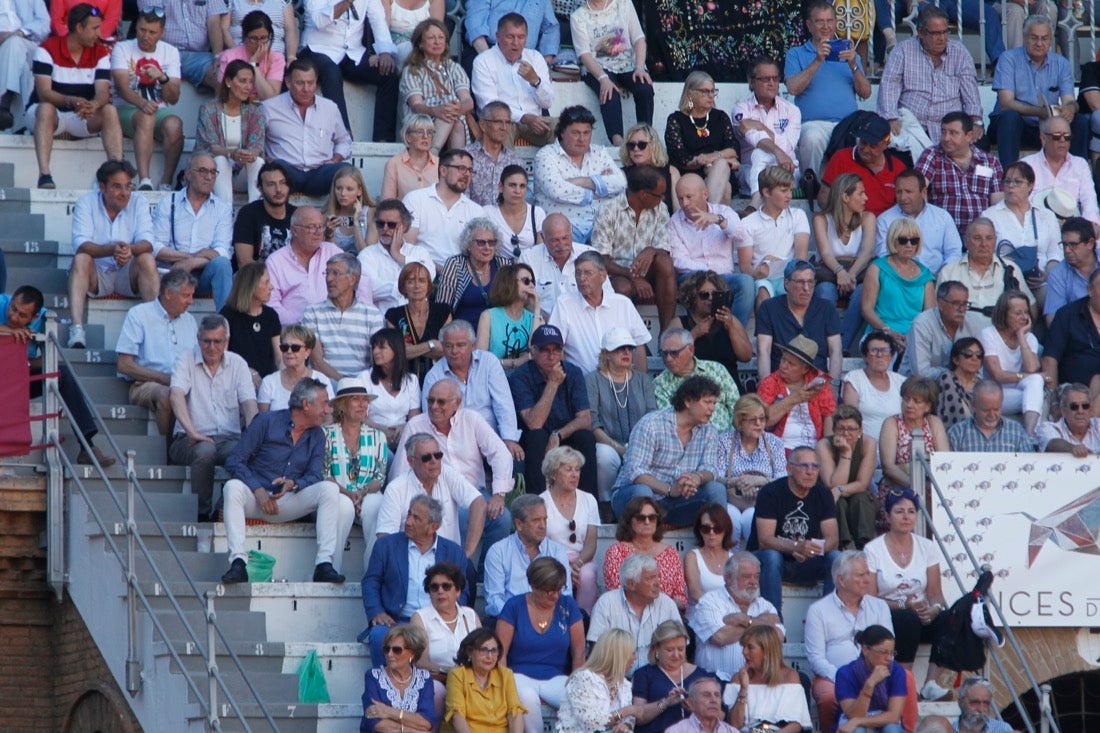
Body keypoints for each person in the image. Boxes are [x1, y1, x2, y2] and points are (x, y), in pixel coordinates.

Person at [220, 377, 355, 584]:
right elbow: (234, 460)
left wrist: (293, 483)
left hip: (289, 500)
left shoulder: (317, 435)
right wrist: (257, 490)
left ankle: (323, 564)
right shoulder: (266, 421)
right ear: (306, 405)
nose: (328, 410)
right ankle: (238, 562)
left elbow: (315, 475)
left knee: (328, 489)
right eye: (324, 403)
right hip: (256, 500)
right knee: (232, 487)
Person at [391, 380, 513, 551]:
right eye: (430, 401)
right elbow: (400, 471)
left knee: (503, 517)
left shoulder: (471, 419)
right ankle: (460, 565)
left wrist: (499, 494)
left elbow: (501, 454)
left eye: (441, 401)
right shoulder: (416, 425)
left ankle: (485, 572)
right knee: (460, 516)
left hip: (474, 492)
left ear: (457, 403)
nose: (434, 406)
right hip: (436, 495)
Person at [2, 285, 115, 466]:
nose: (14, 316)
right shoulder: (1, 302)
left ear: (34, 317)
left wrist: (24, 363)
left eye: (22, 315)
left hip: (17, 381)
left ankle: (87, 446)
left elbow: (46, 359)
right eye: (13, 308)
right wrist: (8, 331)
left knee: (62, 373)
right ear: (11, 299)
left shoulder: (45, 318)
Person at [361, 495, 469, 668]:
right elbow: (371, 582)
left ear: (433, 527)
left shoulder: (453, 552)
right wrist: (376, 612)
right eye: (409, 514)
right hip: (397, 620)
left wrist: (447, 617)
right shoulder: (386, 546)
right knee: (379, 636)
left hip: (437, 620)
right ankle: (385, 689)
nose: (408, 521)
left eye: (416, 518)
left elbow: (462, 591)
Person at [169, 314, 258, 521]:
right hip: (188, 438)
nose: (211, 347)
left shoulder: (238, 363)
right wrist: (192, 432)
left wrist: (253, 439)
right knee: (205, 451)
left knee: (249, 454)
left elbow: (250, 405)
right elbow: (176, 395)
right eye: (206, 341)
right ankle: (201, 512)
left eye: (217, 341)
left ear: (226, 341)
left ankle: (221, 508)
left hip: (229, 439)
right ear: (198, 339)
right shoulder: (186, 358)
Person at [865, 487, 949, 702]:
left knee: (952, 616)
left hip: (919, 613)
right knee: (908, 619)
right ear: (887, 515)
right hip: (889, 615)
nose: (906, 517)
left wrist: (933, 610)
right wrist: (904, 606)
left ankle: (930, 683)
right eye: (899, 511)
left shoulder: (927, 547)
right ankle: (904, 683)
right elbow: (870, 598)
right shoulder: (873, 549)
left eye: (911, 511)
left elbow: (936, 594)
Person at [28, 3, 123, 190]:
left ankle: (118, 173)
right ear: (79, 28)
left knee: (109, 110)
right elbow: (44, 93)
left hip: (80, 116)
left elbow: (103, 92)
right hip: (46, 115)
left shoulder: (100, 51)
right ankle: (44, 175)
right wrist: (70, 101)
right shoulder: (47, 49)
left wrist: (94, 105)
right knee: (46, 108)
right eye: (95, 28)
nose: (99, 34)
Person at [610, 376, 727, 527]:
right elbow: (635, 472)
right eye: (707, 402)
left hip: (678, 501)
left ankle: (718, 547)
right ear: (688, 401)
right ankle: (642, 546)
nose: (712, 408)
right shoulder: (651, 424)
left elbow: (711, 468)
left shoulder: (709, 430)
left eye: (714, 403)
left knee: (715, 489)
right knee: (642, 492)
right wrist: (671, 489)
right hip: (633, 497)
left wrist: (697, 477)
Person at [66, 159, 159, 349]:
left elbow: (148, 242)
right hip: (97, 273)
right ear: (102, 187)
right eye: (117, 187)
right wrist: (112, 249)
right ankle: (77, 328)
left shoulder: (139, 201)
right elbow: (81, 244)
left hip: (127, 273)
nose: (124, 193)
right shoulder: (86, 202)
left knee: (147, 259)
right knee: (81, 258)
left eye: (128, 186)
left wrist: (130, 250)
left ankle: (155, 329)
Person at [804, 551, 893, 733]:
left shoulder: (879, 607)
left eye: (868, 574)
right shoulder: (818, 610)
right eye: (861, 575)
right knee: (828, 696)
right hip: (833, 675)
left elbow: (888, 647)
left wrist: (874, 675)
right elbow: (815, 658)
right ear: (841, 580)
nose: (868, 580)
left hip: (876, 671)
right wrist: (843, 678)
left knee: (906, 680)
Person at [875, 5, 982, 155]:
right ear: (920, 32)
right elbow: (889, 87)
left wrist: (976, 122)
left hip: (950, 128)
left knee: (980, 142)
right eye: (936, 33)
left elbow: (971, 96)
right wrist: (891, 119)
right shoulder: (902, 51)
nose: (942, 38)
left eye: (945, 32)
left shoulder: (960, 53)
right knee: (892, 144)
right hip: (913, 126)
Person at [748, 445, 840, 617]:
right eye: (804, 466)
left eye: (815, 466)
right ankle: (774, 620)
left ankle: (830, 618)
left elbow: (832, 539)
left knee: (837, 558)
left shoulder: (823, 494)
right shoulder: (771, 492)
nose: (810, 472)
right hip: (773, 564)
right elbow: (765, 540)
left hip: (807, 561)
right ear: (789, 468)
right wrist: (796, 546)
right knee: (771, 556)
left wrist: (810, 549)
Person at [496, 557, 585, 733]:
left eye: (559, 589)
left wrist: (577, 684)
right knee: (526, 697)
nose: (555, 595)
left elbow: (579, 652)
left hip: (557, 677)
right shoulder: (514, 606)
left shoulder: (568, 606)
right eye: (548, 591)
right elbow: (501, 653)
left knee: (581, 700)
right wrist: (503, 686)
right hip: (519, 676)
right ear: (533, 585)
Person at [784, 0, 870, 177]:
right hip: (814, 123)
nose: (826, 26)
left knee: (870, 139)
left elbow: (866, 93)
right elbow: (793, 88)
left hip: (848, 124)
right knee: (811, 138)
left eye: (830, 21)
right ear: (809, 25)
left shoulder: (848, 53)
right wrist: (817, 60)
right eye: (819, 21)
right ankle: (812, 186)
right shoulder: (796, 53)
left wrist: (853, 64)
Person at [987, 15, 1086, 168]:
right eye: (1034, 38)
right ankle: (1009, 176)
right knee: (1010, 117)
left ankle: (1078, 175)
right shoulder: (1008, 59)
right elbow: (1006, 103)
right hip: (1013, 126)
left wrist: (1070, 108)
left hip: (1046, 126)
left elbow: (1069, 100)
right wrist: (1040, 111)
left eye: (1045, 38)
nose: (1039, 43)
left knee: (1079, 121)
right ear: (1025, 37)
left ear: (1050, 39)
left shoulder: (1061, 63)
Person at [377, 433, 489, 568]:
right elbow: (385, 538)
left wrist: (466, 553)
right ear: (411, 461)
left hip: (449, 561)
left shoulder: (447, 474)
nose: (434, 461)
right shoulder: (395, 489)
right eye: (426, 457)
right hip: (411, 562)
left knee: (468, 573)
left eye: (438, 455)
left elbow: (479, 503)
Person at [509, 324, 597, 495]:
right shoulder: (520, 375)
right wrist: (553, 384)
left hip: (563, 435)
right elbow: (534, 423)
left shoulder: (573, 372)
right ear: (533, 352)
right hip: (534, 438)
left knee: (585, 436)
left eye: (556, 350)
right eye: (545, 350)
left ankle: (590, 503)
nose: (551, 356)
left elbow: (585, 419)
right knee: (537, 436)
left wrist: (558, 435)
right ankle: (538, 501)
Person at [296, 0, 398, 140]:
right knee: (331, 71)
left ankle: (383, 139)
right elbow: (319, 21)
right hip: (317, 48)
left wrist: (385, 52)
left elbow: (378, 19)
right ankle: (343, 134)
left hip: (352, 52)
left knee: (388, 73)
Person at [590, 164, 675, 329]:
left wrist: (652, 251)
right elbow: (601, 259)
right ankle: (623, 340)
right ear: (643, 194)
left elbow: (663, 248)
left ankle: (666, 335)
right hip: (616, 272)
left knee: (664, 261)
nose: (663, 198)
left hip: (648, 270)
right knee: (623, 288)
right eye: (659, 195)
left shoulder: (660, 209)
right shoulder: (608, 210)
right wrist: (633, 277)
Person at [116, 269, 198, 436]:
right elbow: (123, 365)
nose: (191, 301)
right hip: (144, 385)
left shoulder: (190, 320)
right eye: (186, 296)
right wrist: (163, 378)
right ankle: (168, 452)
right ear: (168, 293)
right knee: (167, 394)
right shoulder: (139, 314)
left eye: (191, 295)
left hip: (182, 384)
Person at [109, 9, 183, 192]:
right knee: (146, 116)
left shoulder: (171, 52)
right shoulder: (122, 47)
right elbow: (122, 88)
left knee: (175, 124)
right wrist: (142, 103)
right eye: (142, 30)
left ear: (162, 33)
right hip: (125, 108)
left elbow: (173, 98)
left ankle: (166, 182)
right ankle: (144, 180)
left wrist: (163, 78)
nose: (145, 36)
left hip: (158, 110)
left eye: (152, 32)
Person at [421, 320, 521, 455]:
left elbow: (503, 403)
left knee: (515, 460)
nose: (454, 351)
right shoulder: (434, 376)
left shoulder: (489, 362)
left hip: (491, 438)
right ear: (443, 348)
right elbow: (432, 418)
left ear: (473, 346)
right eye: (448, 346)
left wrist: (509, 438)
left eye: (460, 345)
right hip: (455, 444)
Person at [265, 206, 375, 326]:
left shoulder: (332, 251)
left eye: (321, 227)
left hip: (336, 328)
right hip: (295, 334)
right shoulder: (276, 261)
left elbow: (360, 279)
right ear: (294, 230)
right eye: (311, 227)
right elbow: (271, 303)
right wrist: (303, 322)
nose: (318, 232)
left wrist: (358, 314)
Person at [152, 154, 234, 311]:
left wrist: (192, 262)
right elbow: (156, 247)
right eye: (203, 171)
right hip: (172, 271)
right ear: (188, 174)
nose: (209, 177)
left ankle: (227, 323)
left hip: (203, 274)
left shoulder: (222, 209)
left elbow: (222, 251)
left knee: (222, 264)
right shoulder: (168, 203)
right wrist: (190, 257)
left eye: (213, 172)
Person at [547, 250, 650, 374]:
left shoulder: (623, 304)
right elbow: (556, 347)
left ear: (603, 277)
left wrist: (640, 383)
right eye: (578, 273)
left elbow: (638, 345)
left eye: (587, 273)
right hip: (582, 385)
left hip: (621, 383)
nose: (581, 278)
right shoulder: (564, 304)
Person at [261, 58, 353, 197]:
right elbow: (254, 142)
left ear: (316, 82)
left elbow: (344, 140)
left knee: (347, 171)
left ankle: (352, 218)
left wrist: (336, 159)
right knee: (278, 167)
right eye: (300, 83)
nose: (306, 89)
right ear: (288, 82)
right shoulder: (268, 108)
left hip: (320, 171)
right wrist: (266, 159)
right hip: (287, 172)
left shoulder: (330, 108)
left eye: (310, 83)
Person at [534, 105, 626, 243]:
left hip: (599, 225)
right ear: (562, 132)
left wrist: (579, 181)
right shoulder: (546, 156)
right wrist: (598, 189)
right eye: (575, 133)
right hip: (564, 229)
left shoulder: (599, 152)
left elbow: (620, 183)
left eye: (586, 133)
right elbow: (557, 191)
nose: (582, 139)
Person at [584, 327, 657, 502]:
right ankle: (606, 504)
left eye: (629, 348)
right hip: (608, 444)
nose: (626, 352)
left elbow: (652, 417)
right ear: (606, 354)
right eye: (619, 348)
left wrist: (636, 447)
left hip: (641, 444)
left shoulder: (643, 380)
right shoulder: (592, 380)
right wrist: (619, 448)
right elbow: (593, 423)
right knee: (603, 456)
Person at [669, 177, 752, 327]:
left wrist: (719, 221)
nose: (684, 204)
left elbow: (742, 236)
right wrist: (708, 276)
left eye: (689, 197)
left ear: (704, 195)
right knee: (693, 283)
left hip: (724, 277)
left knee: (746, 282)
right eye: (680, 199)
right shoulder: (675, 221)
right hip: (692, 276)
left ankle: (736, 334)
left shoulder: (723, 212)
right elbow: (678, 261)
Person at [325, 377, 390, 566]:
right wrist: (349, 494)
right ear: (342, 406)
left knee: (376, 503)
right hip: (337, 494)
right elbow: (324, 475)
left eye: (365, 400)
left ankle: (372, 571)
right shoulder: (326, 435)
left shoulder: (378, 436)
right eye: (355, 399)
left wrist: (362, 493)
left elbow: (379, 477)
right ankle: (331, 568)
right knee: (342, 506)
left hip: (367, 494)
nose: (362, 405)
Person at [569, 0, 651, 147]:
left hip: (628, 62)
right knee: (609, 92)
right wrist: (603, 78)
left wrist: (640, 67)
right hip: (597, 66)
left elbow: (639, 39)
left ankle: (646, 136)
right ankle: (618, 141)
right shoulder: (578, 16)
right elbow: (584, 54)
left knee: (644, 87)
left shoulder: (624, 4)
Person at [982, 162, 1060, 314]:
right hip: (1007, 282)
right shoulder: (990, 216)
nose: (1011, 186)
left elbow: (1054, 254)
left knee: (1055, 304)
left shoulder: (1046, 216)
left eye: (1017, 182)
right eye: (1007, 181)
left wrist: (1046, 276)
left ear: (1030, 185)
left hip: (1040, 281)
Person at [691, 552, 783, 681]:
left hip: (757, 684)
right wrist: (762, 624)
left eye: (756, 576)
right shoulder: (709, 602)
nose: (753, 582)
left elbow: (777, 637)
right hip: (715, 683)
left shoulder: (766, 606)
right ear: (729, 577)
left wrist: (745, 620)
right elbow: (720, 637)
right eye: (746, 577)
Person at [469, 13, 556, 147]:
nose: (516, 43)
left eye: (521, 37)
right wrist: (524, 117)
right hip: (503, 122)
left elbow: (548, 103)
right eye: (510, 37)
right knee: (498, 128)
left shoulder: (535, 57)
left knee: (567, 127)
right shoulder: (483, 61)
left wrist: (535, 81)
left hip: (535, 122)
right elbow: (490, 106)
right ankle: (504, 168)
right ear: (498, 36)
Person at [916, 112, 1004, 239]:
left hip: (979, 237)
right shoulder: (932, 155)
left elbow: (998, 205)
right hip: (941, 235)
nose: (946, 138)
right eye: (943, 132)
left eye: (953, 133)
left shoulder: (990, 162)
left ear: (969, 136)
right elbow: (918, 190)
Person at [588, 554, 680, 674]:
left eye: (658, 577)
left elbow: (680, 647)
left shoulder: (667, 604)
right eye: (650, 578)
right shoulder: (606, 603)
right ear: (631, 584)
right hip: (616, 678)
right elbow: (597, 651)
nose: (657, 583)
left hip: (658, 678)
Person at [812, 173, 876, 345]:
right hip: (829, 271)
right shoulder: (821, 219)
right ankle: (824, 343)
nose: (866, 198)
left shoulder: (868, 218)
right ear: (845, 197)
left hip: (857, 272)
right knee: (825, 292)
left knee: (863, 293)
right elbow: (825, 253)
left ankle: (842, 345)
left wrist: (850, 274)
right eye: (860, 193)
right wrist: (840, 271)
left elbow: (867, 252)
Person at [937, 218, 1035, 330]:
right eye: (977, 238)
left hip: (1003, 342)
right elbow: (937, 314)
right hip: (960, 343)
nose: (984, 244)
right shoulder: (948, 272)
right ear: (966, 241)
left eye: (989, 238)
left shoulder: (1011, 269)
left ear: (995, 241)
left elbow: (1030, 308)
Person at [715, 394, 787, 546]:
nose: (759, 424)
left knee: (751, 517)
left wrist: (759, 481)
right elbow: (716, 476)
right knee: (730, 517)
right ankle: (731, 563)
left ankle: (754, 561)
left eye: (762, 419)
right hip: (732, 498)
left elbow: (783, 480)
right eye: (753, 420)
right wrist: (740, 482)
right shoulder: (723, 441)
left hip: (764, 500)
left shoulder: (775, 443)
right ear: (740, 422)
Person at [755, 259, 843, 382]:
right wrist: (766, 388)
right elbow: (763, 351)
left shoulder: (826, 308)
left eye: (810, 282)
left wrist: (833, 386)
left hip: (817, 383)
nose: (806, 288)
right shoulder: (768, 308)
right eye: (800, 282)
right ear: (786, 284)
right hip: (780, 383)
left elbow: (836, 351)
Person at [410, 561, 481, 713]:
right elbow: (421, 662)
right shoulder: (420, 617)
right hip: (439, 680)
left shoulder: (470, 615)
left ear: (458, 591)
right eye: (434, 587)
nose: (440, 591)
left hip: (472, 677)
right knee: (437, 690)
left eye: (446, 586)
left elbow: (484, 652)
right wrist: (451, 672)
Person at [302, 252, 384, 380]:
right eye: (327, 273)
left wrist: (357, 387)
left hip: (363, 384)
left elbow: (378, 361)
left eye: (335, 273)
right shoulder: (312, 313)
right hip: (326, 384)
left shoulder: (372, 315)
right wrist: (345, 385)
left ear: (353, 279)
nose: (329, 279)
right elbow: (317, 362)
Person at [739, 165, 811, 310]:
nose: (789, 196)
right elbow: (744, 265)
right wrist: (756, 273)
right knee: (763, 292)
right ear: (766, 192)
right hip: (763, 278)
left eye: (790, 190)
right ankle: (764, 332)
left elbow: (801, 258)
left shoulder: (798, 215)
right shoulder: (747, 223)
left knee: (798, 288)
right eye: (784, 191)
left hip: (792, 276)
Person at [664, 71, 739, 205]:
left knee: (721, 167)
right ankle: (709, 214)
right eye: (704, 92)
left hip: (718, 172)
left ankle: (708, 213)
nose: (710, 96)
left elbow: (733, 148)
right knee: (725, 186)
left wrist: (712, 157)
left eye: (712, 91)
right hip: (689, 175)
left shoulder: (720, 117)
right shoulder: (677, 119)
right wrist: (705, 161)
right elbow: (680, 157)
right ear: (690, 94)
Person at [861, 218, 936, 352]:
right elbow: (867, 309)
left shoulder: (925, 275)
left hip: (915, 335)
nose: (909, 245)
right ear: (893, 240)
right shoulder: (877, 268)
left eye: (914, 241)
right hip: (881, 332)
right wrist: (887, 331)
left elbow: (929, 316)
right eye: (903, 240)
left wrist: (914, 337)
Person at [980, 289, 1048, 436]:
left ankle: (1030, 433)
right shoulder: (988, 334)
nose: (1024, 317)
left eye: (1026, 312)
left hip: (1021, 392)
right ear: (1003, 314)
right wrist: (1027, 376)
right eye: (1018, 313)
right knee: (1037, 387)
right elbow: (998, 375)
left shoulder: (1029, 338)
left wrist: (1021, 335)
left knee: (1035, 381)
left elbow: (1031, 368)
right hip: (994, 394)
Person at [196, 59, 265, 204]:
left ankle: (256, 210)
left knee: (257, 161)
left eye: (251, 82)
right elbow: (210, 146)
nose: (248, 87)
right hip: (213, 173)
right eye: (243, 81)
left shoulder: (255, 112)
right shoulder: (209, 109)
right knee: (220, 160)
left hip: (242, 174)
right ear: (228, 81)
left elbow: (257, 147)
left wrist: (247, 155)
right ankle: (225, 213)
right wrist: (231, 154)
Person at [399, 19, 473, 153]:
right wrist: (436, 111)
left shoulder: (454, 67)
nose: (437, 42)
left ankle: (449, 159)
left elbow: (468, 101)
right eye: (431, 38)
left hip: (453, 118)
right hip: (421, 120)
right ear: (421, 44)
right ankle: (434, 154)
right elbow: (416, 106)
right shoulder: (412, 70)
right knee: (448, 114)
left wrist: (457, 109)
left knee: (453, 118)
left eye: (441, 37)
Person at [733, 57, 801, 201]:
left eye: (775, 78)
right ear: (751, 81)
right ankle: (757, 202)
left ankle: (755, 204)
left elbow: (788, 146)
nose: (771, 83)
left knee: (763, 154)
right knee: (759, 154)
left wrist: (761, 126)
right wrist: (777, 151)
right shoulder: (741, 109)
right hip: (751, 171)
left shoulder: (792, 110)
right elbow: (753, 138)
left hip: (785, 168)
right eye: (765, 79)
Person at [404, 148, 486, 267]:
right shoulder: (416, 200)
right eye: (461, 168)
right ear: (443, 170)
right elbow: (407, 247)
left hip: (461, 276)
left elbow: (479, 253)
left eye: (470, 170)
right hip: (422, 273)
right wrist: (435, 269)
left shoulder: (476, 211)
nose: (467, 174)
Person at [603, 497, 688, 612]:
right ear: (629, 521)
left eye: (652, 518)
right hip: (628, 615)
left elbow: (680, 597)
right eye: (640, 518)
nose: (647, 522)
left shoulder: (671, 553)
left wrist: (663, 610)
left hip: (665, 617)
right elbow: (618, 593)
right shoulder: (616, 552)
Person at [540, 446, 599, 611]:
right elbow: (540, 544)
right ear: (553, 473)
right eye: (568, 470)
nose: (575, 475)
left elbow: (591, 543)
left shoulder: (589, 500)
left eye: (577, 469)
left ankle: (583, 622)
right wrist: (564, 566)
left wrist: (577, 564)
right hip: (551, 559)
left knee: (586, 575)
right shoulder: (540, 502)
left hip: (582, 559)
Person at [874, 169, 963, 277]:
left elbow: (954, 252)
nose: (903, 197)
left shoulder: (942, 217)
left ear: (923, 192)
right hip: (899, 282)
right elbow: (884, 256)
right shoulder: (885, 220)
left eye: (908, 192)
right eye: (899, 192)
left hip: (938, 279)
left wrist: (942, 275)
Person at [668, 271, 753, 382]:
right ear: (693, 297)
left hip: (728, 386)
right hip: (693, 387)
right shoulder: (678, 323)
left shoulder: (731, 320)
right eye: (704, 295)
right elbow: (671, 357)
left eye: (715, 294)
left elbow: (746, 356)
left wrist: (731, 329)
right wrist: (694, 334)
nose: (710, 298)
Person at [756, 334, 837, 450]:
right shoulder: (770, 382)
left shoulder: (818, 382)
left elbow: (829, 415)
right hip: (779, 448)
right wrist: (793, 399)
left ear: (805, 369)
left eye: (791, 364)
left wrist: (828, 448)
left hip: (815, 448)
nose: (784, 366)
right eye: (783, 359)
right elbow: (762, 420)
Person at [723, 627, 810, 732]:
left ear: (766, 651)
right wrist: (743, 689)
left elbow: (795, 725)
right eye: (743, 647)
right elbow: (734, 726)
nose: (744, 652)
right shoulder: (738, 679)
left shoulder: (789, 677)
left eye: (750, 647)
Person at [653, 327, 740, 432]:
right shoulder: (660, 383)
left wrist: (731, 439)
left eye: (674, 353)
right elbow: (671, 422)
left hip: (728, 439)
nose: (668, 359)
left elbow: (736, 406)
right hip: (690, 443)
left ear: (690, 350)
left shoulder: (716, 369)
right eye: (664, 353)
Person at [1021, 116, 1100, 230]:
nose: (1062, 140)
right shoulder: (1026, 165)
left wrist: (1091, 225)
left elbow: (1089, 199)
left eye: (1067, 137)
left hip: (1073, 228)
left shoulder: (1080, 164)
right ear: (1043, 138)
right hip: (1036, 227)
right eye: (1056, 136)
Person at [815, 403, 877, 549]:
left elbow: (862, 483)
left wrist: (840, 490)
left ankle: (865, 546)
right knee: (837, 502)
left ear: (860, 431)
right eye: (841, 428)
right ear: (834, 430)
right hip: (829, 495)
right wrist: (846, 453)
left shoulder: (868, 443)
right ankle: (842, 545)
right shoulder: (823, 445)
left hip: (856, 492)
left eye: (851, 429)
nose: (846, 433)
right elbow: (832, 484)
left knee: (861, 498)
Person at [819, 115, 906, 218]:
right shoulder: (841, 158)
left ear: (886, 144)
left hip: (887, 227)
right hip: (849, 224)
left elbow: (905, 205)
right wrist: (843, 219)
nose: (865, 149)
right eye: (863, 142)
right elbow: (824, 197)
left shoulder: (898, 168)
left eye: (873, 146)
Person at [359, 199, 437, 313]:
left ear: (404, 226)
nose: (385, 229)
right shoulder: (366, 255)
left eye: (391, 224)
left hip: (416, 322)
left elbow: (428, 277)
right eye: (380, 224)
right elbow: (368, 289)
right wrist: (408, 288)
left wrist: (398, 255)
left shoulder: (419, 252)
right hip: (382, 324)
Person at [630, 621, 709, 733]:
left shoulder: (701, 675)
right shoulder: (643, 674)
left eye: (681, 649)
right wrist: (666, 702)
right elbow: (639, 717)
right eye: (670, 650)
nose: (676, 655)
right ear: (656, 648)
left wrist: (696, 708)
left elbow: (719, 715)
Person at [519, 214, 608, 313]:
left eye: (565, 238)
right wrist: (544, 319)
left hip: (585, 319)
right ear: (543, 238)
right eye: (555, 240)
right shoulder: (528, 258)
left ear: (572, 233)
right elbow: (523, 298)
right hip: (543, 321)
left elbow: (607, 295)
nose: (561, 245)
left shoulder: (589, 254)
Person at [556, 628, 640, 733]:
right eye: (631, 653)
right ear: (617, 655)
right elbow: (591, 723)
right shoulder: (584, 678)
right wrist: (626, 711)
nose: (635, 657)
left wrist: (625, 725)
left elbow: (630, 718)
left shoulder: (623, 683)